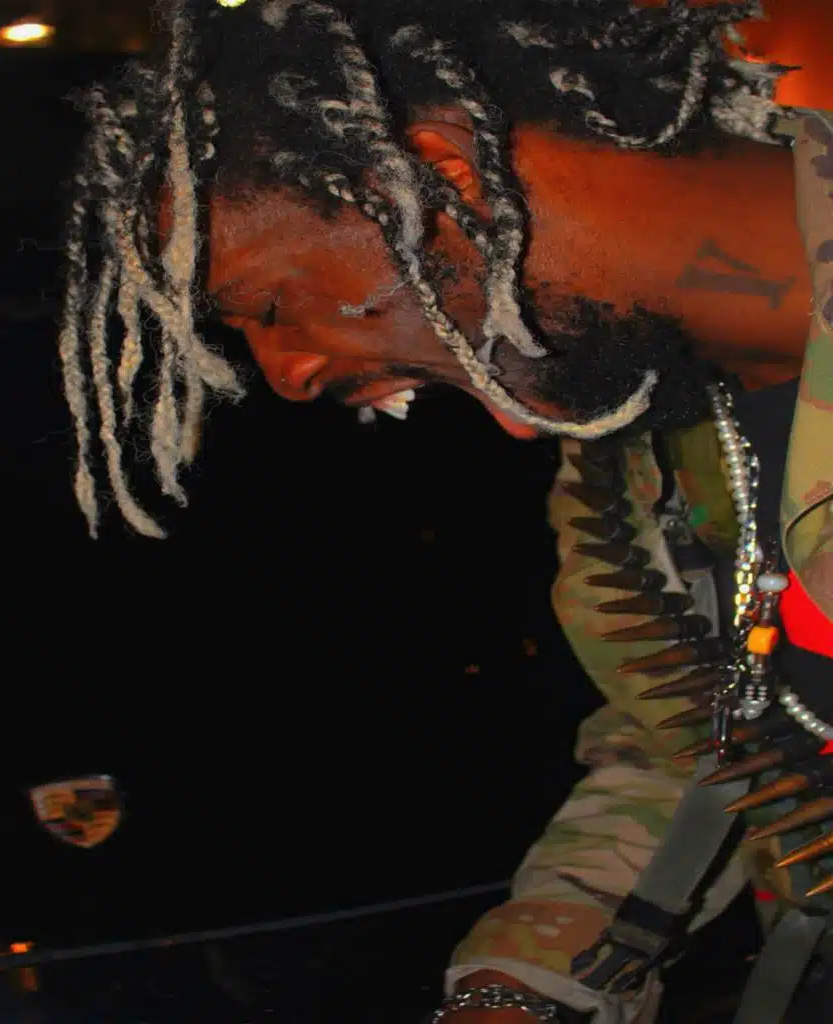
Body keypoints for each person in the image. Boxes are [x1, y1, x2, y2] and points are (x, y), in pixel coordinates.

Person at [55, 0, 833, 1019]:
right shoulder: (647, 458)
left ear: (438, 180)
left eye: (267, 305)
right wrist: (519, 987)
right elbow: (698, 736)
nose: (285, 375)